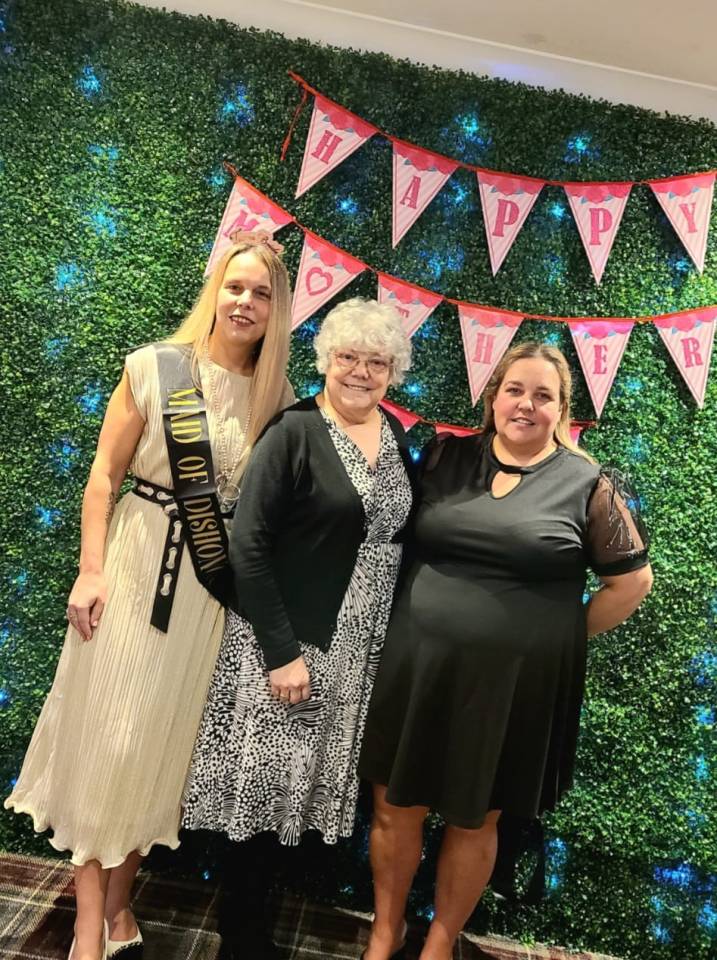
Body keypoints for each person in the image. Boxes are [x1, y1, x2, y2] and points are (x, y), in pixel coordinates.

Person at [5, 233, 294, 960]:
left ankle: (119, 910)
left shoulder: (279, 398)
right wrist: (90, 569)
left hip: (205, 595)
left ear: (277, 308)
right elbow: (103, 476)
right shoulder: (156, 367)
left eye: (261, 293)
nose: (245, 302)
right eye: (236, 286)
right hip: (135, 568)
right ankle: (86, 924)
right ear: (215, 290)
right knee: (108, 738)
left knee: (156, 754)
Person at [358, 341, 653, 960]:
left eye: (543, 395)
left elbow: (631, 583)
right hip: (415, 668)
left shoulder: (585, 483)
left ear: (562, 409)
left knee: (476, 818)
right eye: (515, 390)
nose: (526, 405)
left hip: (511, 689)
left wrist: (555, 639)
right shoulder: (443, 456)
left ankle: (440, 941)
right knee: (395, 807)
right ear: (492, 397)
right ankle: (387, 931)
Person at [182, 298, 417, 959]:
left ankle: (262, 931)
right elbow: (248, 547)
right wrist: (280, 654)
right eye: (348, 357)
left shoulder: (396, 437)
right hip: (283, 644)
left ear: (393, 370)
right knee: (256, 796)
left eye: (377, 361)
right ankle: (240, 940)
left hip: (352, 651)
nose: (361, 372)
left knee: (293, 796)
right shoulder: (293, 431)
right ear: (325, 360)